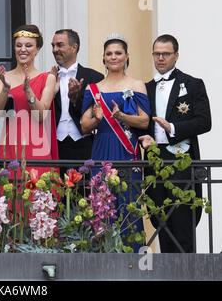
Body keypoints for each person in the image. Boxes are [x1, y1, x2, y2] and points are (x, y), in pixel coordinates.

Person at [81, 33, 150, 251]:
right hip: (102, 147)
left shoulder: (137, 84)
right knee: (102, 204)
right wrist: (97, 119)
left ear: (127, 56)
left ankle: (133, 259)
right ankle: (103, 257)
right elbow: (84, 125)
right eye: (109, 53)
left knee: (129, 203)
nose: (113, 57)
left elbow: (144, 120)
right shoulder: (93, 89)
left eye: (118, 53)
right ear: (103, 58)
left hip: (126, 148)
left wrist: (121, 117)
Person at [144, 34, 211, 253]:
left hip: (181, 164)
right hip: (154, 162)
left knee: (183, 225)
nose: (161, 58)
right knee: (160, 223)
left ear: (176, 56)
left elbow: (204, 121)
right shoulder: (146, 87)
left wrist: (172, 128)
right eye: (157, 53)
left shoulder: (192, 84)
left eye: (166, 54)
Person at [0, 24, 58, 176]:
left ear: (37, 49)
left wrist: (28, 90)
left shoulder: (48, 78)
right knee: (10, 194)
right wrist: (5, 90)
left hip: (37, 145)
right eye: (18, 45)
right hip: (10, 144)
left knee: (36, 194)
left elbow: (41, 115)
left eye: (28, 45)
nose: (23, 49)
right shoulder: (1, 77)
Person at [51, 29, 104, 173]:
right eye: (53, 46)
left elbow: (99, 113)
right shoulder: (47, 78)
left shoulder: (94, 78)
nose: (55, 50)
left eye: (60, 45)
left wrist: (75, 99)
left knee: (85, 192)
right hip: (54, 146)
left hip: (84, 144)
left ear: (74, 47)